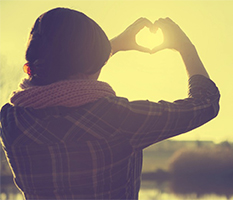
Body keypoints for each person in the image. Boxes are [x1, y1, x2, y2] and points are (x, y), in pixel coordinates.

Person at [0, 7, 220, 200]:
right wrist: (185, 46)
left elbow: (67, 81)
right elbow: (205, 103)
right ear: (91, 63)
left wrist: (109, 48)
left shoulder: (11, 122)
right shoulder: (116, 118)